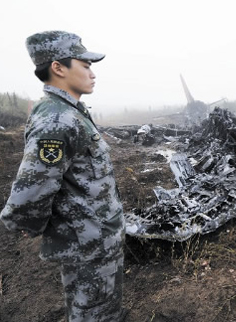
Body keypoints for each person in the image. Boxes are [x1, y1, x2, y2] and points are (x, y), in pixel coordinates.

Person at [0, 30, 126, 322]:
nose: (92, 73)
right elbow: (32, 187)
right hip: (87, 245)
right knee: (94, 314)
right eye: (84, 65)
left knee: (97, 309)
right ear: (58, 67)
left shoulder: (69, 112)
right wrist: (25, 221)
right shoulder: (57, 119)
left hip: (94, 240)